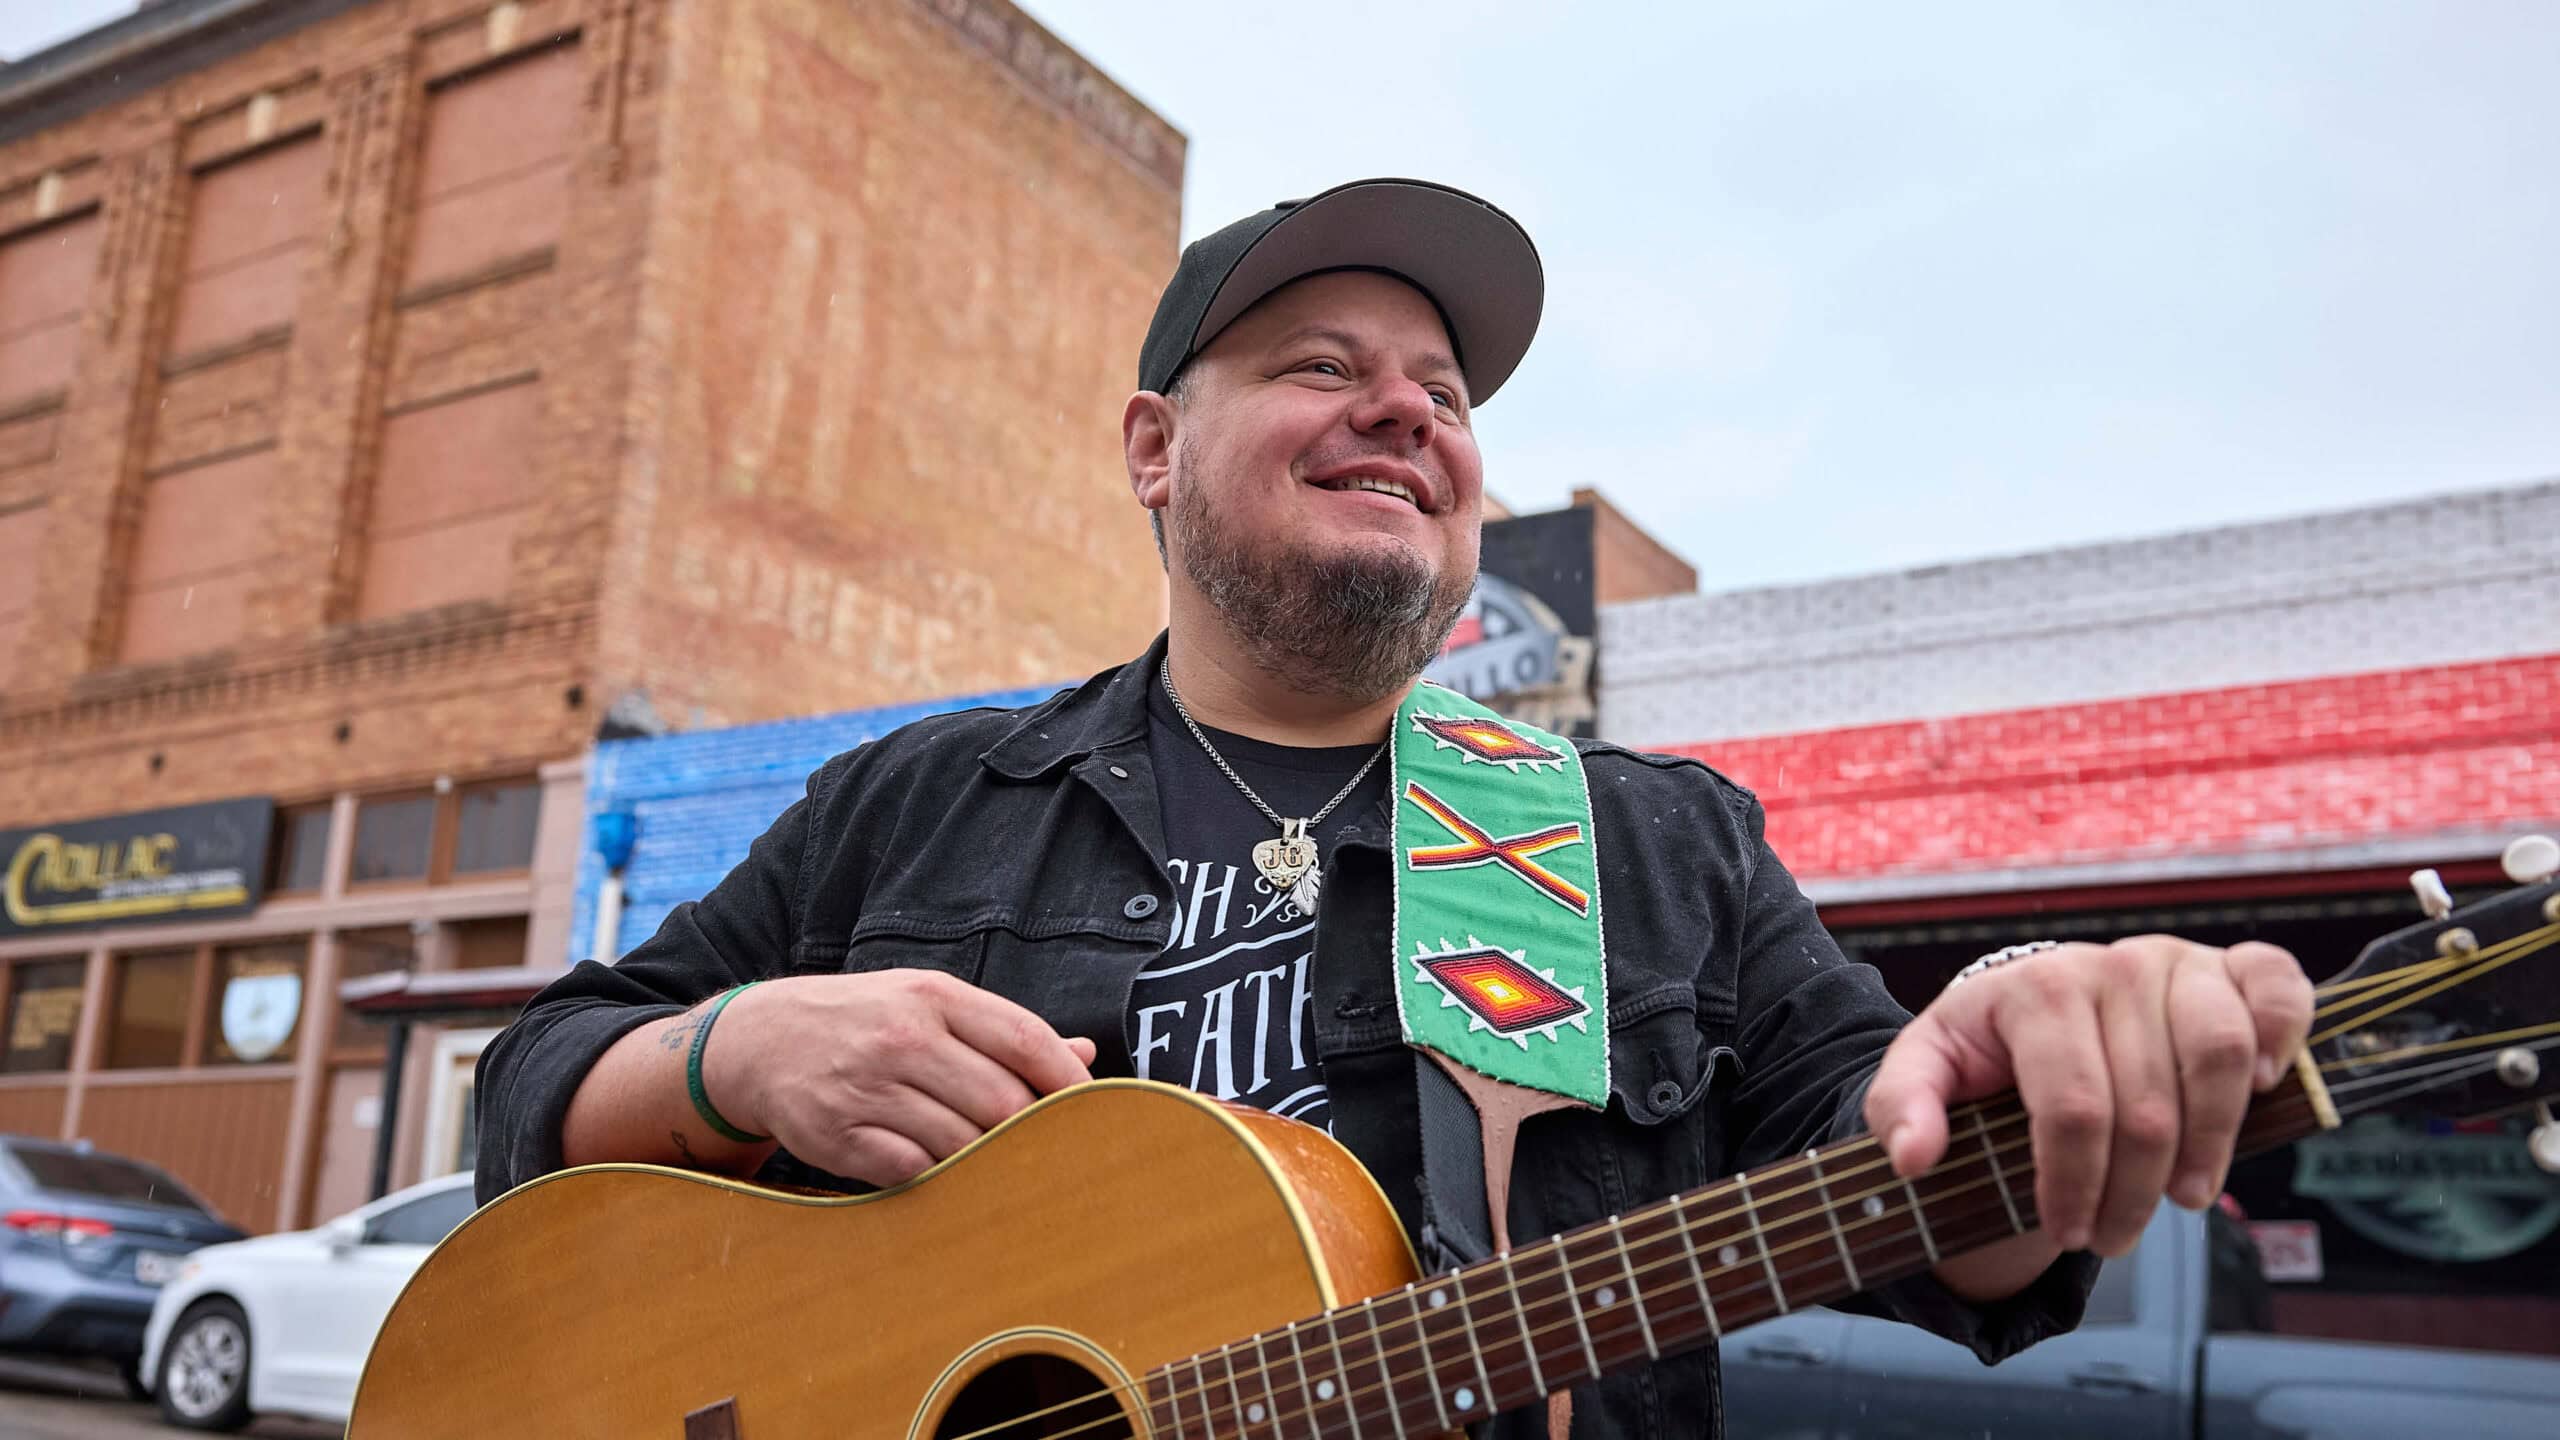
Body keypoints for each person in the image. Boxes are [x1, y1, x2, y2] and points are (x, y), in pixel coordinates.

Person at [476, 178, 2315, 1437]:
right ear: (1151, 449)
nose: (1408, 414)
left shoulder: (1647, 847)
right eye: (1322, 368)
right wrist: (729, 1056)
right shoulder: (925, 802)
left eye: (1442, 391)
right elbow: (538, 1082)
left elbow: (1934, 1222)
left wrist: (2043, 1093)